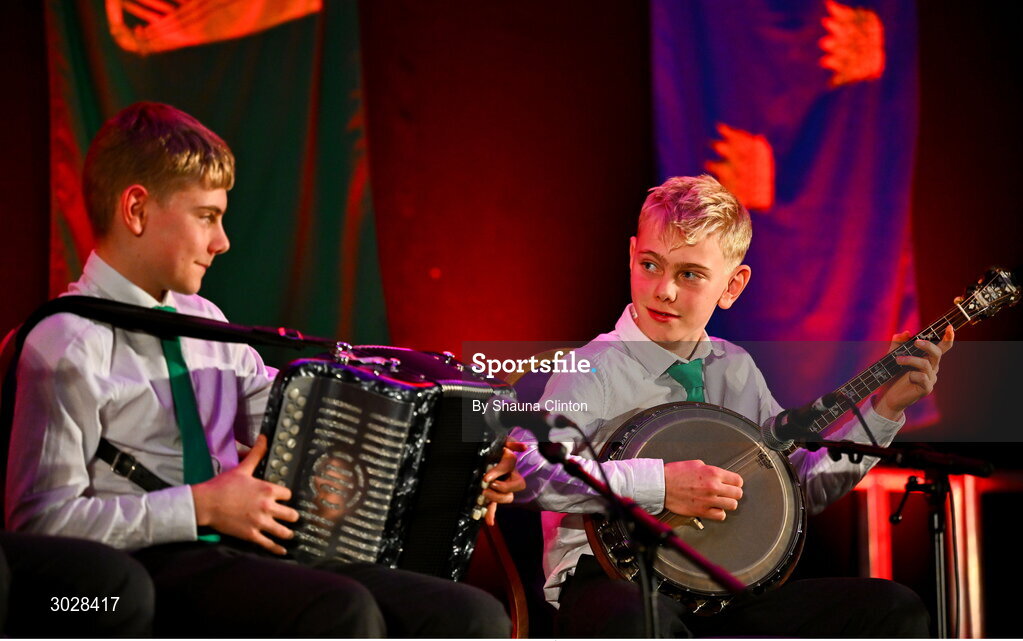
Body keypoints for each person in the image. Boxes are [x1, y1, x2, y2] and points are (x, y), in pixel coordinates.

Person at [5, 101, 522, 637]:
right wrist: (198, 508)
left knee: (471, 614)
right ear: (136, 209)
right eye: (206, 216)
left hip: (240, 554)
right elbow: (41, 523)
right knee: (340, 610)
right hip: (140, 569)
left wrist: (464, 465)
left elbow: (313, 425)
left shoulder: (207, 324)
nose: (221, 241)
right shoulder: (66, 343)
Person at [512, 175, 952, 637]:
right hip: (613, 584)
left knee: (890, 609)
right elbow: (530, 472)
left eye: (689, 274)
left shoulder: (736, 368)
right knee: (644, 621)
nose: (664, 290)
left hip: (723, 594)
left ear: (733, 285)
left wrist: (883, 411)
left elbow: (797, 485)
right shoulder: (591, 368)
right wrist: (660, 485)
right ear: (631, 255)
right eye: (650, 265)